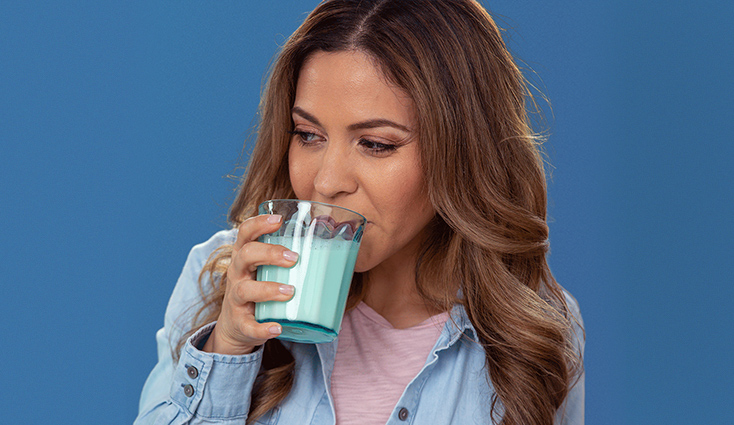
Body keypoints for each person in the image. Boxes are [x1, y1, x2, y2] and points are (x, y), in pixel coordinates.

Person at [134, 0, 585, 424]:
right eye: (308, 134)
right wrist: (228, 350)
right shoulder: (221, 280)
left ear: (463, 153)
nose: (327, 181)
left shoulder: (534, 329)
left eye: (375, 144)